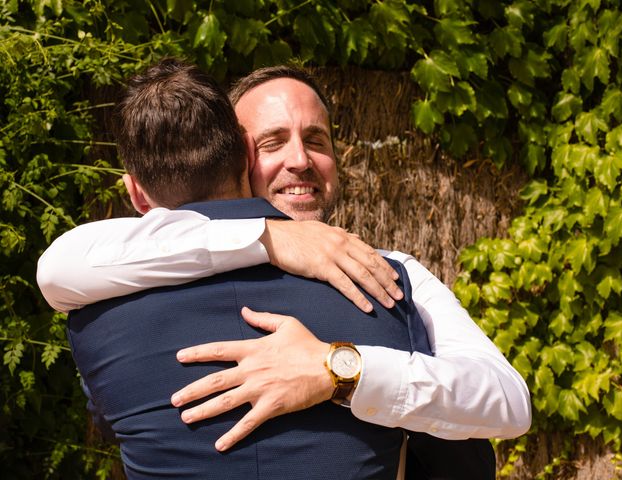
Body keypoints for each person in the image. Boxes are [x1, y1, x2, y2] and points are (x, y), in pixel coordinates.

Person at [38, 64, 531, 476]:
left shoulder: (391, 272)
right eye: (273, 142)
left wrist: (340, 370)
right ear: (240, 154)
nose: (300, 159)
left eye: (316, 139)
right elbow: (59, 266)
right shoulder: (119, 263)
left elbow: (508, 400)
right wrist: (267, 238)